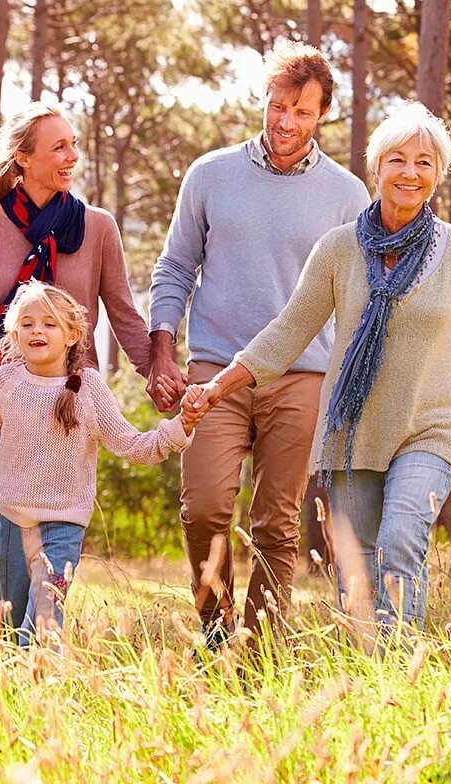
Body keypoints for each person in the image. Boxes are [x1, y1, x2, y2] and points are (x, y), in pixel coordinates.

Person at [183, 102, 451, 631]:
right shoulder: (338, 250)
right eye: (398, 159)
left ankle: (397, 673)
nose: (410, 172)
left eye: (425, 162)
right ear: (377, 168)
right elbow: (289, 331)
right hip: (354, 430)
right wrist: (219, 385)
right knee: (357, 568)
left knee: (401, 538)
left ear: (439, 174)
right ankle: (370, 678)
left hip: (430, 427)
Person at [147, 41, 370, 645]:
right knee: (205, 508)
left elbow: (357, 299)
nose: (285, 123)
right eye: (277, 107)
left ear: (322, 113)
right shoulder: (211, 175)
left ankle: (260, 647)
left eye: (301, 112)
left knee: (277, 521)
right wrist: (162, 353)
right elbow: (174, 268)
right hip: (214, 369)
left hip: (303, 374)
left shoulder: (348, 196)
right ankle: (216, 631)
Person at [0, 102, 157, 617]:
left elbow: (124, 313)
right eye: (59, 147)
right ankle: (3, 648)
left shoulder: (98, 227)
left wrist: (156, 372)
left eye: (74, 144)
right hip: (6, 401)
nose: (72, 156)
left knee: (59, 535)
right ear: (23, 158)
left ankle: (42, 640)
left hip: (70, 401)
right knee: (3, 537)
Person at [0, 282, 193, 643]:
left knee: (43, 625)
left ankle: (43, 685)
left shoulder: (88, 389)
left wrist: (179, 427)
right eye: (27, 324)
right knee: (11, 626)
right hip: (10, 525)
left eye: (49, 323)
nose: (37, 331)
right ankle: (16, 691)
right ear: (15, 333)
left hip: (62, 527)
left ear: (72, 334)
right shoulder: (7, 381)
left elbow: (133, 446)